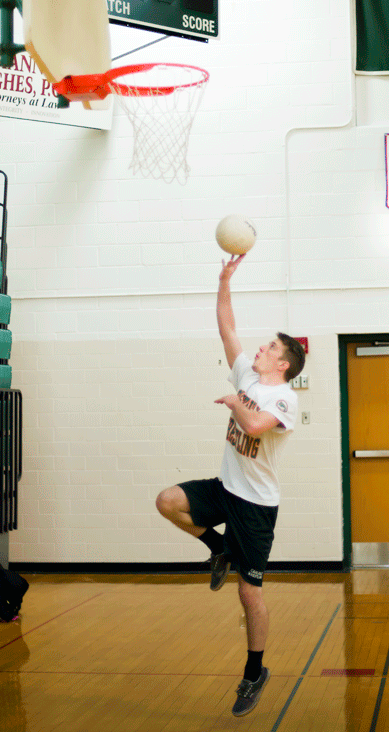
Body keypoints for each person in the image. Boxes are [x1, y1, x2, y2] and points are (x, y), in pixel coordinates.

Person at [156, 254, 305, 717]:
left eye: (268, 348)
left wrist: (232, 403)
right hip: (226, 487)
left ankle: (254, 671)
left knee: (249, 591)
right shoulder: (247, 376)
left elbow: (257, 425)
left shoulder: (284, 397)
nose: (258, 350)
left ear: (282, 363)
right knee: (167, 502)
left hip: (257, 506)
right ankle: (217, 547)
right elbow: (227, 329)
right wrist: (223, 281)